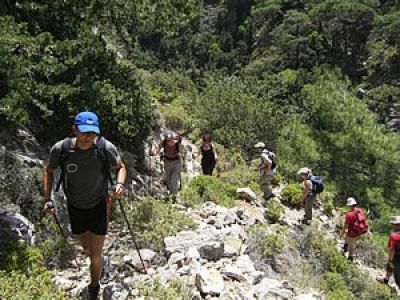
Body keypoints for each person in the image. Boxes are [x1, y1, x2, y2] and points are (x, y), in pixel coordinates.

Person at [43, 111, 127, 300]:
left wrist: (120, 184)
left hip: (99, 204)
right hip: (75, 205)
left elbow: (120, 166)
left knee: (95, 254)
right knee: (86, 248)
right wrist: (47, 198)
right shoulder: (62, 149)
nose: (89, 137)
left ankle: (94, 287)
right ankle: (99, 264)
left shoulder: (104, 147)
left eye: (93, 133)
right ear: (75, 130)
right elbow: (48, 171)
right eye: (85, 132)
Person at [339, 197, 366, 262]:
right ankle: (345, 249)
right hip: (358, 232)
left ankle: (350, 259)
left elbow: (346, 226)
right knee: (351, 242)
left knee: (351, 247)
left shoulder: (349, 215)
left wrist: (341, 235)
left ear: (349, 205)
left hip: (351, 233)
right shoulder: (360, 211)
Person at [377, 216, 400, 287]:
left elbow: (392, 250)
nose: (392, 225)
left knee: (398, 278)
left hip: (397, 258)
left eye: (393, 224)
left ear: (395, 225)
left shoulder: (394, 236)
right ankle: (386, 280)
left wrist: (390, 261)